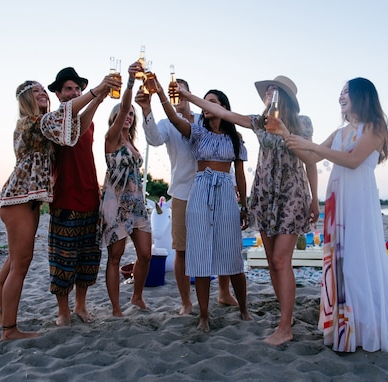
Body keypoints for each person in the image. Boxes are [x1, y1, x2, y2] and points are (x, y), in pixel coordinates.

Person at [177, 75, 319, 345]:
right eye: (267, 91)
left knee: (280, 261)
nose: (269, 94)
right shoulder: (259, 121)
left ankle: (285, 326)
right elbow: (222, 112)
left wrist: (314, 198)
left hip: (291, 193)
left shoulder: (303, 123)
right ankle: (283, 317)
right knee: (272, 264)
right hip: (265, 195)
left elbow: (310, 161)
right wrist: (188, 96)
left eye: (275, 91)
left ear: (286, 97)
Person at [281, 77, 388, 355]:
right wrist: (286, 134)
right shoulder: (340, 132)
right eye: (340, 92)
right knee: (338, 263)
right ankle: (342, 328)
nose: (341, 97)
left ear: (362, 96)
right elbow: (312, 158)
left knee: (356, 261)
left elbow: (352, 161)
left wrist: (313, 146)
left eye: (346, 92)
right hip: (337, 199)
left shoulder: (374, 127)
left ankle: (364, 327)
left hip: (358, 200)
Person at [0, 75, 119, 341]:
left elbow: (76, 128)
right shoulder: (33, 122)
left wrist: (99, 97)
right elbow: (66, 115)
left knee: (15, 260)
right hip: (18, 199)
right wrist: (96, 91)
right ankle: (9, 330)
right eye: (36, 92)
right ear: (26, 98)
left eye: (43, 92)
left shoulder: (46, 125)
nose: (42, 95)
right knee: (21, 264)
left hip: (27, 200)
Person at [151, 76, 252, 332]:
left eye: (212, 102)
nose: (206, 106)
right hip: (199, 193)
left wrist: (245, 205)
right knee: (200, 255)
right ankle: (203, 315)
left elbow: (239, 175)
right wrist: (162, 92)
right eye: (204, 102)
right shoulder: (196, 132)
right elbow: (174, 119)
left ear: (222, 107)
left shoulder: (235, 138)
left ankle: (244, 309)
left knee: (232, 253)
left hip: (226, 194)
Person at [135, 79, 238, 316]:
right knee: (181, 249)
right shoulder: (167, 124)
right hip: (182, 192)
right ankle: (186, 301)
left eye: (181, 90)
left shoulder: (206, 119)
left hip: (215, 191)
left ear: (190, 94)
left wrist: (232, 184)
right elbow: (153, 139)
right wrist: (147, 110)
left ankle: (223, 292)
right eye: (174, 90)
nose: (177, 94)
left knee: (220, 244)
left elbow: (223, 152)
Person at [47, 67, 106, 326]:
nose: (74, 92)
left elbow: (81, 125)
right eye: (69, 89)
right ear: (59, 94)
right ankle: (63, 311)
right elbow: (70, 124)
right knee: (63, 260)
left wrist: (98, 99)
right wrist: (95, 94)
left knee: (87, 259)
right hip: (65, 199)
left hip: (90, 196)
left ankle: (80, 305)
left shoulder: (87, 122)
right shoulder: (54, 121)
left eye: (77, 89)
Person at [100, 62, 153, 317]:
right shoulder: (111, 138)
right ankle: (116, 307)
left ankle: (137, 297)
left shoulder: (132, 143)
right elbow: (123, 106)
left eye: (132, 114)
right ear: (116, 117)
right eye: (125, 113)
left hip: (138, 205)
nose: (128, 116)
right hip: (116, 205)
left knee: (145, 254)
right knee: (115, 258)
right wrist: (131, 81)